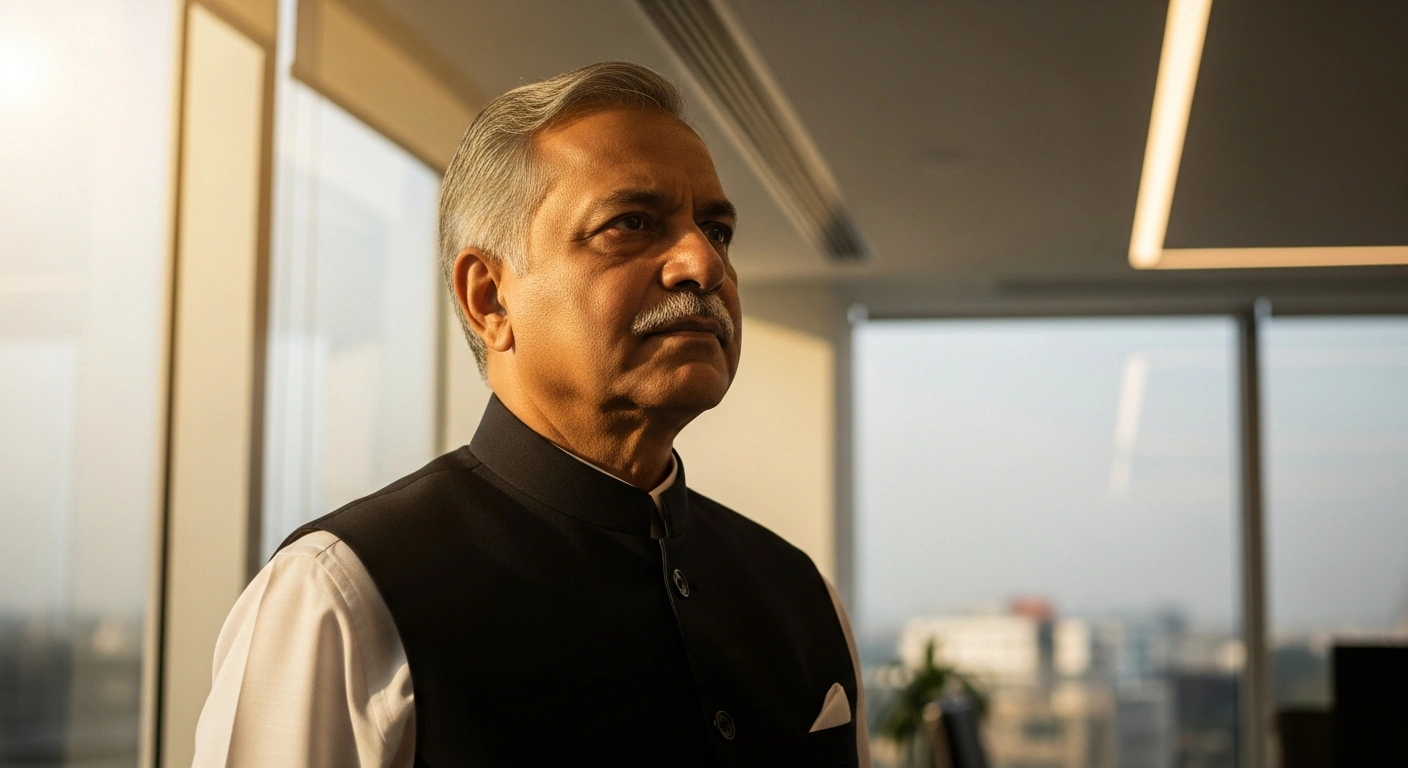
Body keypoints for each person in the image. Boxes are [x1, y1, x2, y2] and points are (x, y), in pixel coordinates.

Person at [193, 61, 870, 767]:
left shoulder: (800, 596)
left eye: (718, 230)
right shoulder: (340, 600)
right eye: (631, 223)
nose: (703, 263)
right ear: (489, 299)